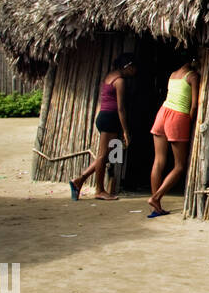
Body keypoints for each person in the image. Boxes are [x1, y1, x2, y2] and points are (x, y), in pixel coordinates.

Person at [70, 53, 136, 200]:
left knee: (107, 155)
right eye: (134, 67)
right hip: (110, 118)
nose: (135, 71)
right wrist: (125, 131)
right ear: (128, 66)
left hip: (104, 117)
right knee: (102, 155)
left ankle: (79, 180)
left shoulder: (110, 76)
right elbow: (120, 108)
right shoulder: (120, 81)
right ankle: (99, 190)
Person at [147, 56, 200, 217]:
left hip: (162, 113)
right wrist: (189, 122)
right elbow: (194, 104)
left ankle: (156, 207)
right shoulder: (192, 76)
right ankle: (156, 197)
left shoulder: (172, 74)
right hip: (178, 116)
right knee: (179, 166)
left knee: (158, 161)